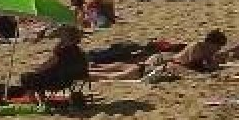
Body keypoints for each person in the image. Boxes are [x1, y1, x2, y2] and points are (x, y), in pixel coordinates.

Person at [89, 30, 229, 82]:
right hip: (153, 69)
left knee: (119, 67)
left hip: (154, 65)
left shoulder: (201, 48)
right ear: (211, 43)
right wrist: (209, 69)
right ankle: (85, 74)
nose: (217, 50)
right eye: (217, 47)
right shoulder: (197, 47)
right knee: (111, 76)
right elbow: (190, 66)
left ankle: (92, 68)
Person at [19, 26, 89, 101]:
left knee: (27, 77)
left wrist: (36, 69)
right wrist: (59, 45)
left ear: (66, 37)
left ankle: (34, 102)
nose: (60, 37)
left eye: (62, 35)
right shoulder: (78, 51)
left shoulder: (63, 52)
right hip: (70, 79)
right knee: (40, 75)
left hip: (59, 81)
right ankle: (42, 99)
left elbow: (47, 65)